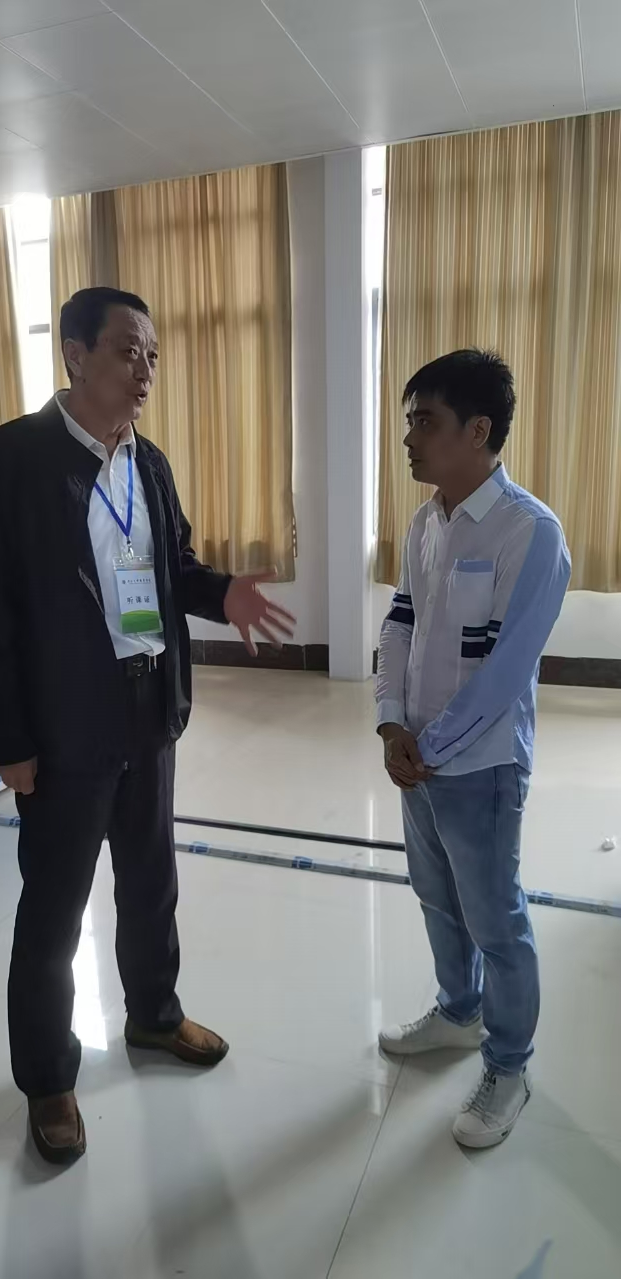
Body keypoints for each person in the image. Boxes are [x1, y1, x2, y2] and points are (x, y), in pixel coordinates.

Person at [0, 286, 294, 1164]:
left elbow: (170, 566)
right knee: (55, 910)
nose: (144, 370)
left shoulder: (150, 463)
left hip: (147, 708)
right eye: (126, 351)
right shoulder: (6, 459)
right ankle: (48, 1077)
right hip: (62, 724)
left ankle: (153, 1014)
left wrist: (221, 592)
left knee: (151, 881)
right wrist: (6, 742)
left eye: (152, 355)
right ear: (74, 355)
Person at [375, 349, 571, 1149]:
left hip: (481, 768)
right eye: (409, 422)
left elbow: (504, 672)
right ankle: (459, 1012)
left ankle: (509, 1066)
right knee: (436, 896)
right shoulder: (427, 522)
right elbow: (400, 624)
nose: (409, 439)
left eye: (425, 422)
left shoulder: (531, 532)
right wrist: (391, 722)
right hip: (418, 760)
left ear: (479, 430)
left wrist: (428, 746)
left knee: (496, 918)